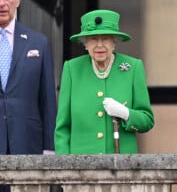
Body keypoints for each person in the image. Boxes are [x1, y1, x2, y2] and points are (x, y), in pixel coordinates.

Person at [54, 9, 154, 154]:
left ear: (114, 42)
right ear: (85, 43)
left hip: (121, 165)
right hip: (81, 166)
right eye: (94, 39)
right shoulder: (72, 69)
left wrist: (126, 113)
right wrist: (64, 167)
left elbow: (147, 121)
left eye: (106, 38)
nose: (100, 45)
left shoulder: (133, 68)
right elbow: (62, 128)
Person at [0, 0, 57, 191]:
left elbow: (47, 101)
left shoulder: (38, 43)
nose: (1, 3)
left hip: (27, 144)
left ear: (18, 0)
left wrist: (49, 150)